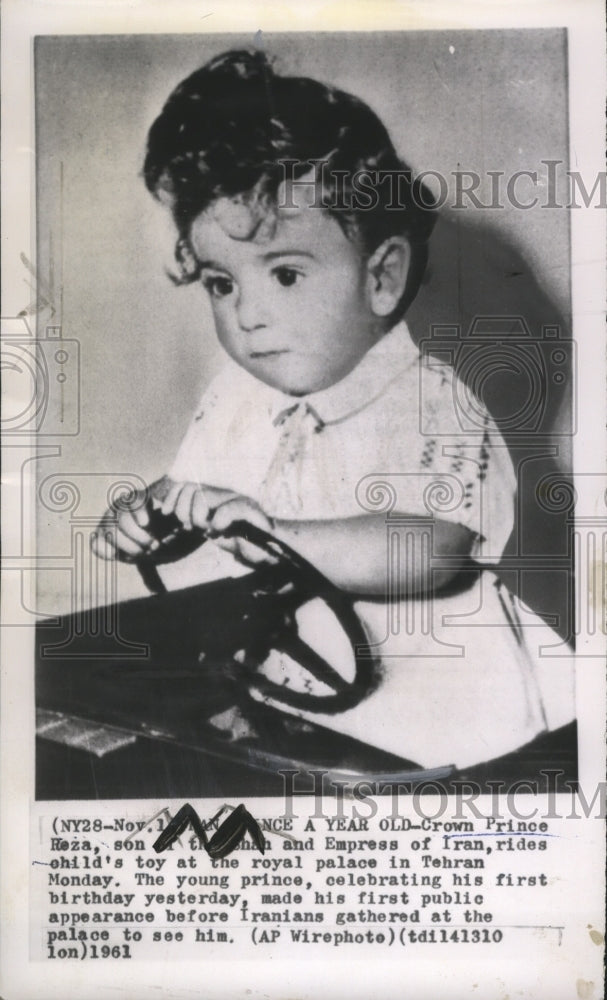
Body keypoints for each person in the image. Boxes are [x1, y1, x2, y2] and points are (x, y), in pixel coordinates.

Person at [92, 49, 575, 773]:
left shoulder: (433, 400)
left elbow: (434, 548)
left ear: (381, 278)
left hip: (443, 713)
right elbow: (191, 493)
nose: (247, 316)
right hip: (307, 681)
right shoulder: (236, 394)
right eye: (222, 284)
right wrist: (148, 515)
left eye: (285, 274)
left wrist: (279, 533)